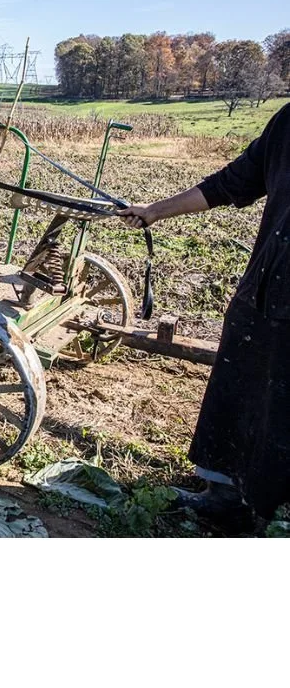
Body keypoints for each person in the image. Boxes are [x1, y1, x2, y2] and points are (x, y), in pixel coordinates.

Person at [118, 102, 289, 532]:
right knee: (242, 377)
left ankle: (271, 508)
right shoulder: (287, 124)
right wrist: (156, 209)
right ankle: (225, 494)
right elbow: (232, 182)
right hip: (268, 283)